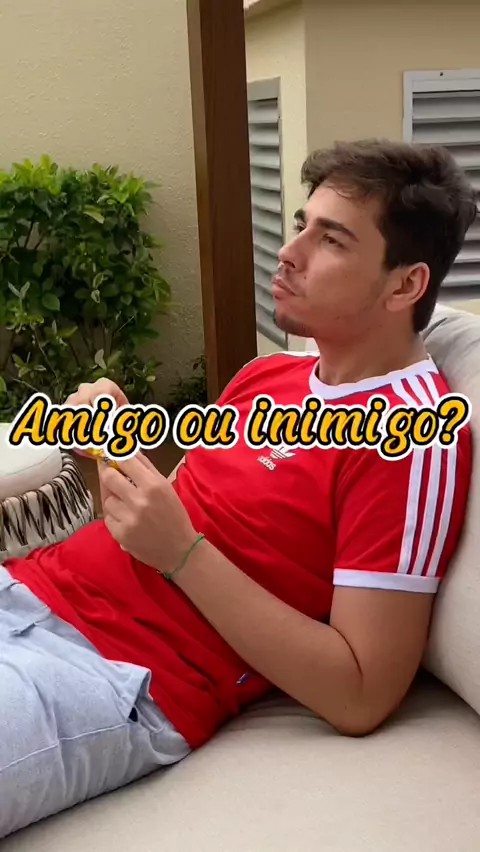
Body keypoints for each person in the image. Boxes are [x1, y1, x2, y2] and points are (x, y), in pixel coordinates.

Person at [0, 139, 475, 837]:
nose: (290, 253)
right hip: (27, 589)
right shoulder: (268, 377)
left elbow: (361, 693)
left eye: (331, 239)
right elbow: (161, 526)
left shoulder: (413, 437)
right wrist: (108, 449)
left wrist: (183, 553)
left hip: (111, 674)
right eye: (302, 225)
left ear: (404, 286)